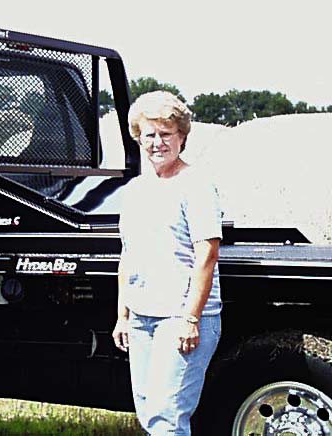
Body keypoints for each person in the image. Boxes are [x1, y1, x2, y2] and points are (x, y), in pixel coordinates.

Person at [111, 91, 222, 435]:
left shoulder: (196, 185)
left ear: (182, 137)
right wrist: (123, 316)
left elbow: (207, 255)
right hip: (142, 317)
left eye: (166, 134)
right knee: (149, 412)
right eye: (149, 135)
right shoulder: (135, 191)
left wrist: (191, 319)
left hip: (181, 318)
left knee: (167, 418)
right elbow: (128, 255)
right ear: (138, 138)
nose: (157, 143)